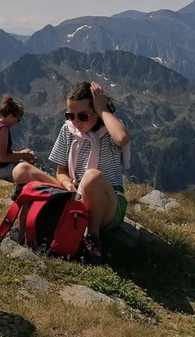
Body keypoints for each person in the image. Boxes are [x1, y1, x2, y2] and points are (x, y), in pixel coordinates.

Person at [11, 81, 129, 262]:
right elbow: (61, 170)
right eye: (70, 115)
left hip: (107, 205)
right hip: (74, 194)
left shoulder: (109, 131)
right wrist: (67, 183)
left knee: (92, 177)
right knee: (21, 170)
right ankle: (25, 217)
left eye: (83, 116)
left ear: (97, 112)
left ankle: (92, 237)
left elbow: (122, 138)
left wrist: (103, 109)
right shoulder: (68, 130)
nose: (75, 121)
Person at [0, 95, 42, 183]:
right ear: (11, 116)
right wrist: (24, 156)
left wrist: (23, 154)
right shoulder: (3, 129)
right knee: (32, 172)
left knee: (28, 152)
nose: (17, 123)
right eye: (18, 120)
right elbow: (2, 158)